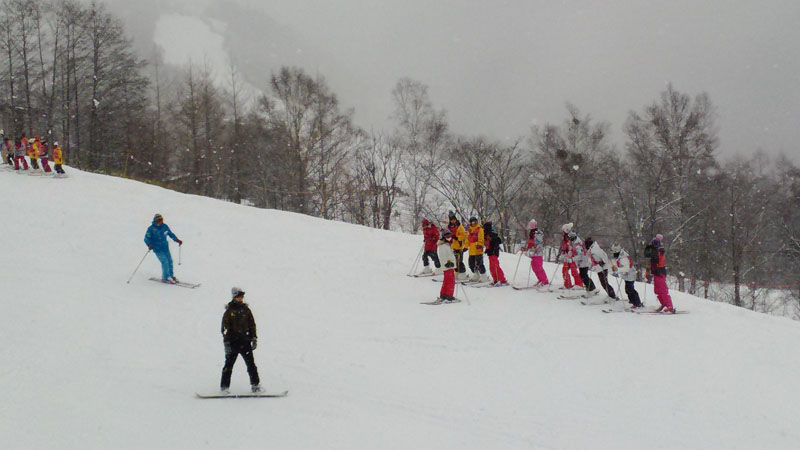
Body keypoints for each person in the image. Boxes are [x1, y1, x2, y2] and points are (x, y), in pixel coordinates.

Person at [220, 287, 261, 393]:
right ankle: (224, 387)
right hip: (233, 343)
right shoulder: (229, 311)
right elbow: (224, 328)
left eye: (242, 297)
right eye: (239, 296)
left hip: (245, 342)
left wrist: (254, 338)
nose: (241, 298)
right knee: (228, 365)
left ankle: (255, 385)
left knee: (251, 365)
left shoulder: (246, 310)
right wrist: (227, 343)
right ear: (234, 297)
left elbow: (252, 325)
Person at [143, 213, 183, 283]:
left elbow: (170, 234)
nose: (161, 222)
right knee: (164, 261)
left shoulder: (164, 226)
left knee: (170, 261)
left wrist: (176, 239)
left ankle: (170, 275)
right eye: (159, 220)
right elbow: (146, 238)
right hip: (157, 248)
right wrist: (149, 244)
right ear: (156, 221)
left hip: (165, 247)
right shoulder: (151, 229)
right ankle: (165, 277)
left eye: (161, 220)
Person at [644, 234, 674, 313]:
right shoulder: (657, 250)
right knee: (657, 290)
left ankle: (669, 305)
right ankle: (664, 303)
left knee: (662, 290)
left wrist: (649, 249)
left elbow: (653, 257)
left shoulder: (660, 250)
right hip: (656, 271)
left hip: (660, 271)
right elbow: (647, 255)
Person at [611, 243, 643, 309]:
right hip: (627, 275)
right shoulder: (621, 256)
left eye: (614, 253)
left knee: (630, 289)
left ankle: (637, 303)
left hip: (630, 275)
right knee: (628, 289)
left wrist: (617, 269)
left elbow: (626, 268)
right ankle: (633, 301)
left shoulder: (623, 258)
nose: (613, 255)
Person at [567, 230, 596, 295]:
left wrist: (572, 259)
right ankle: (591, 288)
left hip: (583, 262)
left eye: (570, 237)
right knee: (583, 275)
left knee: (583, 276)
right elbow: (572, 250)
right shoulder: (573, 242)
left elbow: (580, 255)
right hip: (580, 263)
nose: (569, 239)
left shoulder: (578, 244)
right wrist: (568, 255)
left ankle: (592, 289)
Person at [524, 219, 549, 286]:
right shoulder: (531, 233)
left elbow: (540, 243)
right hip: (532, 253)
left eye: (531, 225)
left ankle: (544, 280)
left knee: (538, 267)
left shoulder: (538, 233)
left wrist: (535, 249)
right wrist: (527, 248)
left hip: (538, 253)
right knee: (534, 267)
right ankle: (540, 279)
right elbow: (530, 242)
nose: (530, 227)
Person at [559, 223, 583, 290]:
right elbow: (565, 247)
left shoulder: (574, 239)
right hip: (567, 257)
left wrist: (572, 257)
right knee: (564, 270)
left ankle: (579, 284)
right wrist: (563, 254)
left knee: (574, 271)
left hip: (573, 258)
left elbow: (578, 252)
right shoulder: (566, 237)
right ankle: (567, 284)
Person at [483, 221, 508, 286]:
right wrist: (487, 249)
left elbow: (497, 241)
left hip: (494, 252)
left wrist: (494, 248)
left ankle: (502, 280)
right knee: (491, 267)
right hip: (490, 252)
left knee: (496, 266)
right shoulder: (486, 234)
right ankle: (495, 279)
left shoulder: (492, 234)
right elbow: (488, 243)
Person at [437, 229, 457, 302]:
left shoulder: (447, 244)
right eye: (447, 236)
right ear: (443, 237)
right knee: (450, 280)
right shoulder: (443, 246)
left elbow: (449, 255)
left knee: (446, 280)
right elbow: (442, 256)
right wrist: (447, 263)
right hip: (448, 266)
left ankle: (444, 294)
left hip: (449, 265)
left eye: (450, 235)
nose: (449, 237)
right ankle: (449, 295)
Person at [447, 212, 468, 280]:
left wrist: (457, 237)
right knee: (454, 261)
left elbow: (463, 235)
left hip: (459, 246)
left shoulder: (459, 226)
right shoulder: (449, 226)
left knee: (459, 261)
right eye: (451, 219)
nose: (453, 221)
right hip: (452, 246)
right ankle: (456, 273)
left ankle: (463, 273)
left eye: (454, 219)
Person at [466, 217, 488, 282]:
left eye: (475, 222)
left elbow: (481, 238)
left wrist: (480, 244)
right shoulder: (470, 230)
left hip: (478, 249)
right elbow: (467, 240)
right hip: (472, 250)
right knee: (471, 264)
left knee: (479, 263)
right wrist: (466, 246)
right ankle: (476, 274)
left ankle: (483, 275)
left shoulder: (479, 229)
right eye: (472, 222)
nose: (474, 223)